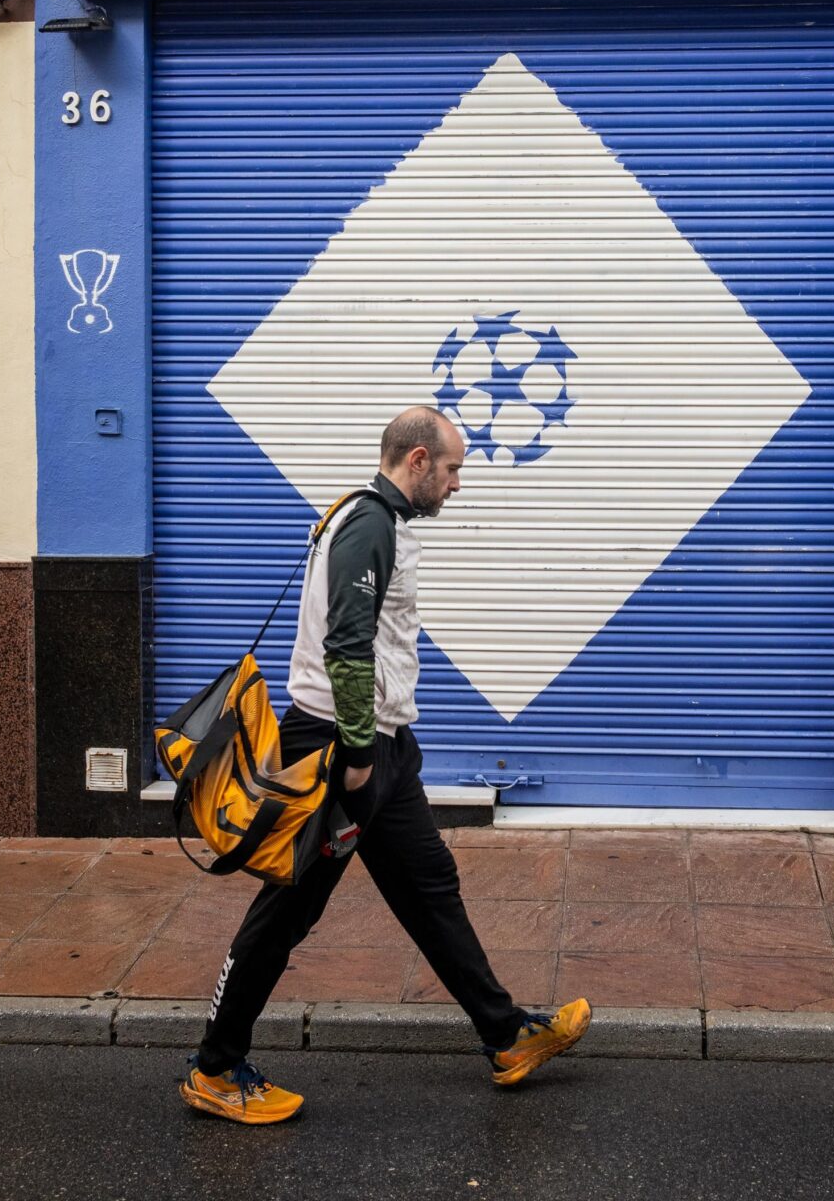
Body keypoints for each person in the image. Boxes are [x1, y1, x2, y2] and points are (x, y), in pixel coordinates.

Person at [180, 405, 590, 1123]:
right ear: (419, 461)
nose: (459, 484)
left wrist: (385, 748)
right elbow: (346, 644)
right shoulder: (368, 523)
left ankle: (504, 1036)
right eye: (455, 468)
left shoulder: (383, 523)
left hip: (384, 748)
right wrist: (362, 755)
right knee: (289, 907)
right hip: (341, 750)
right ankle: (215, 1068)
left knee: (428, 885)